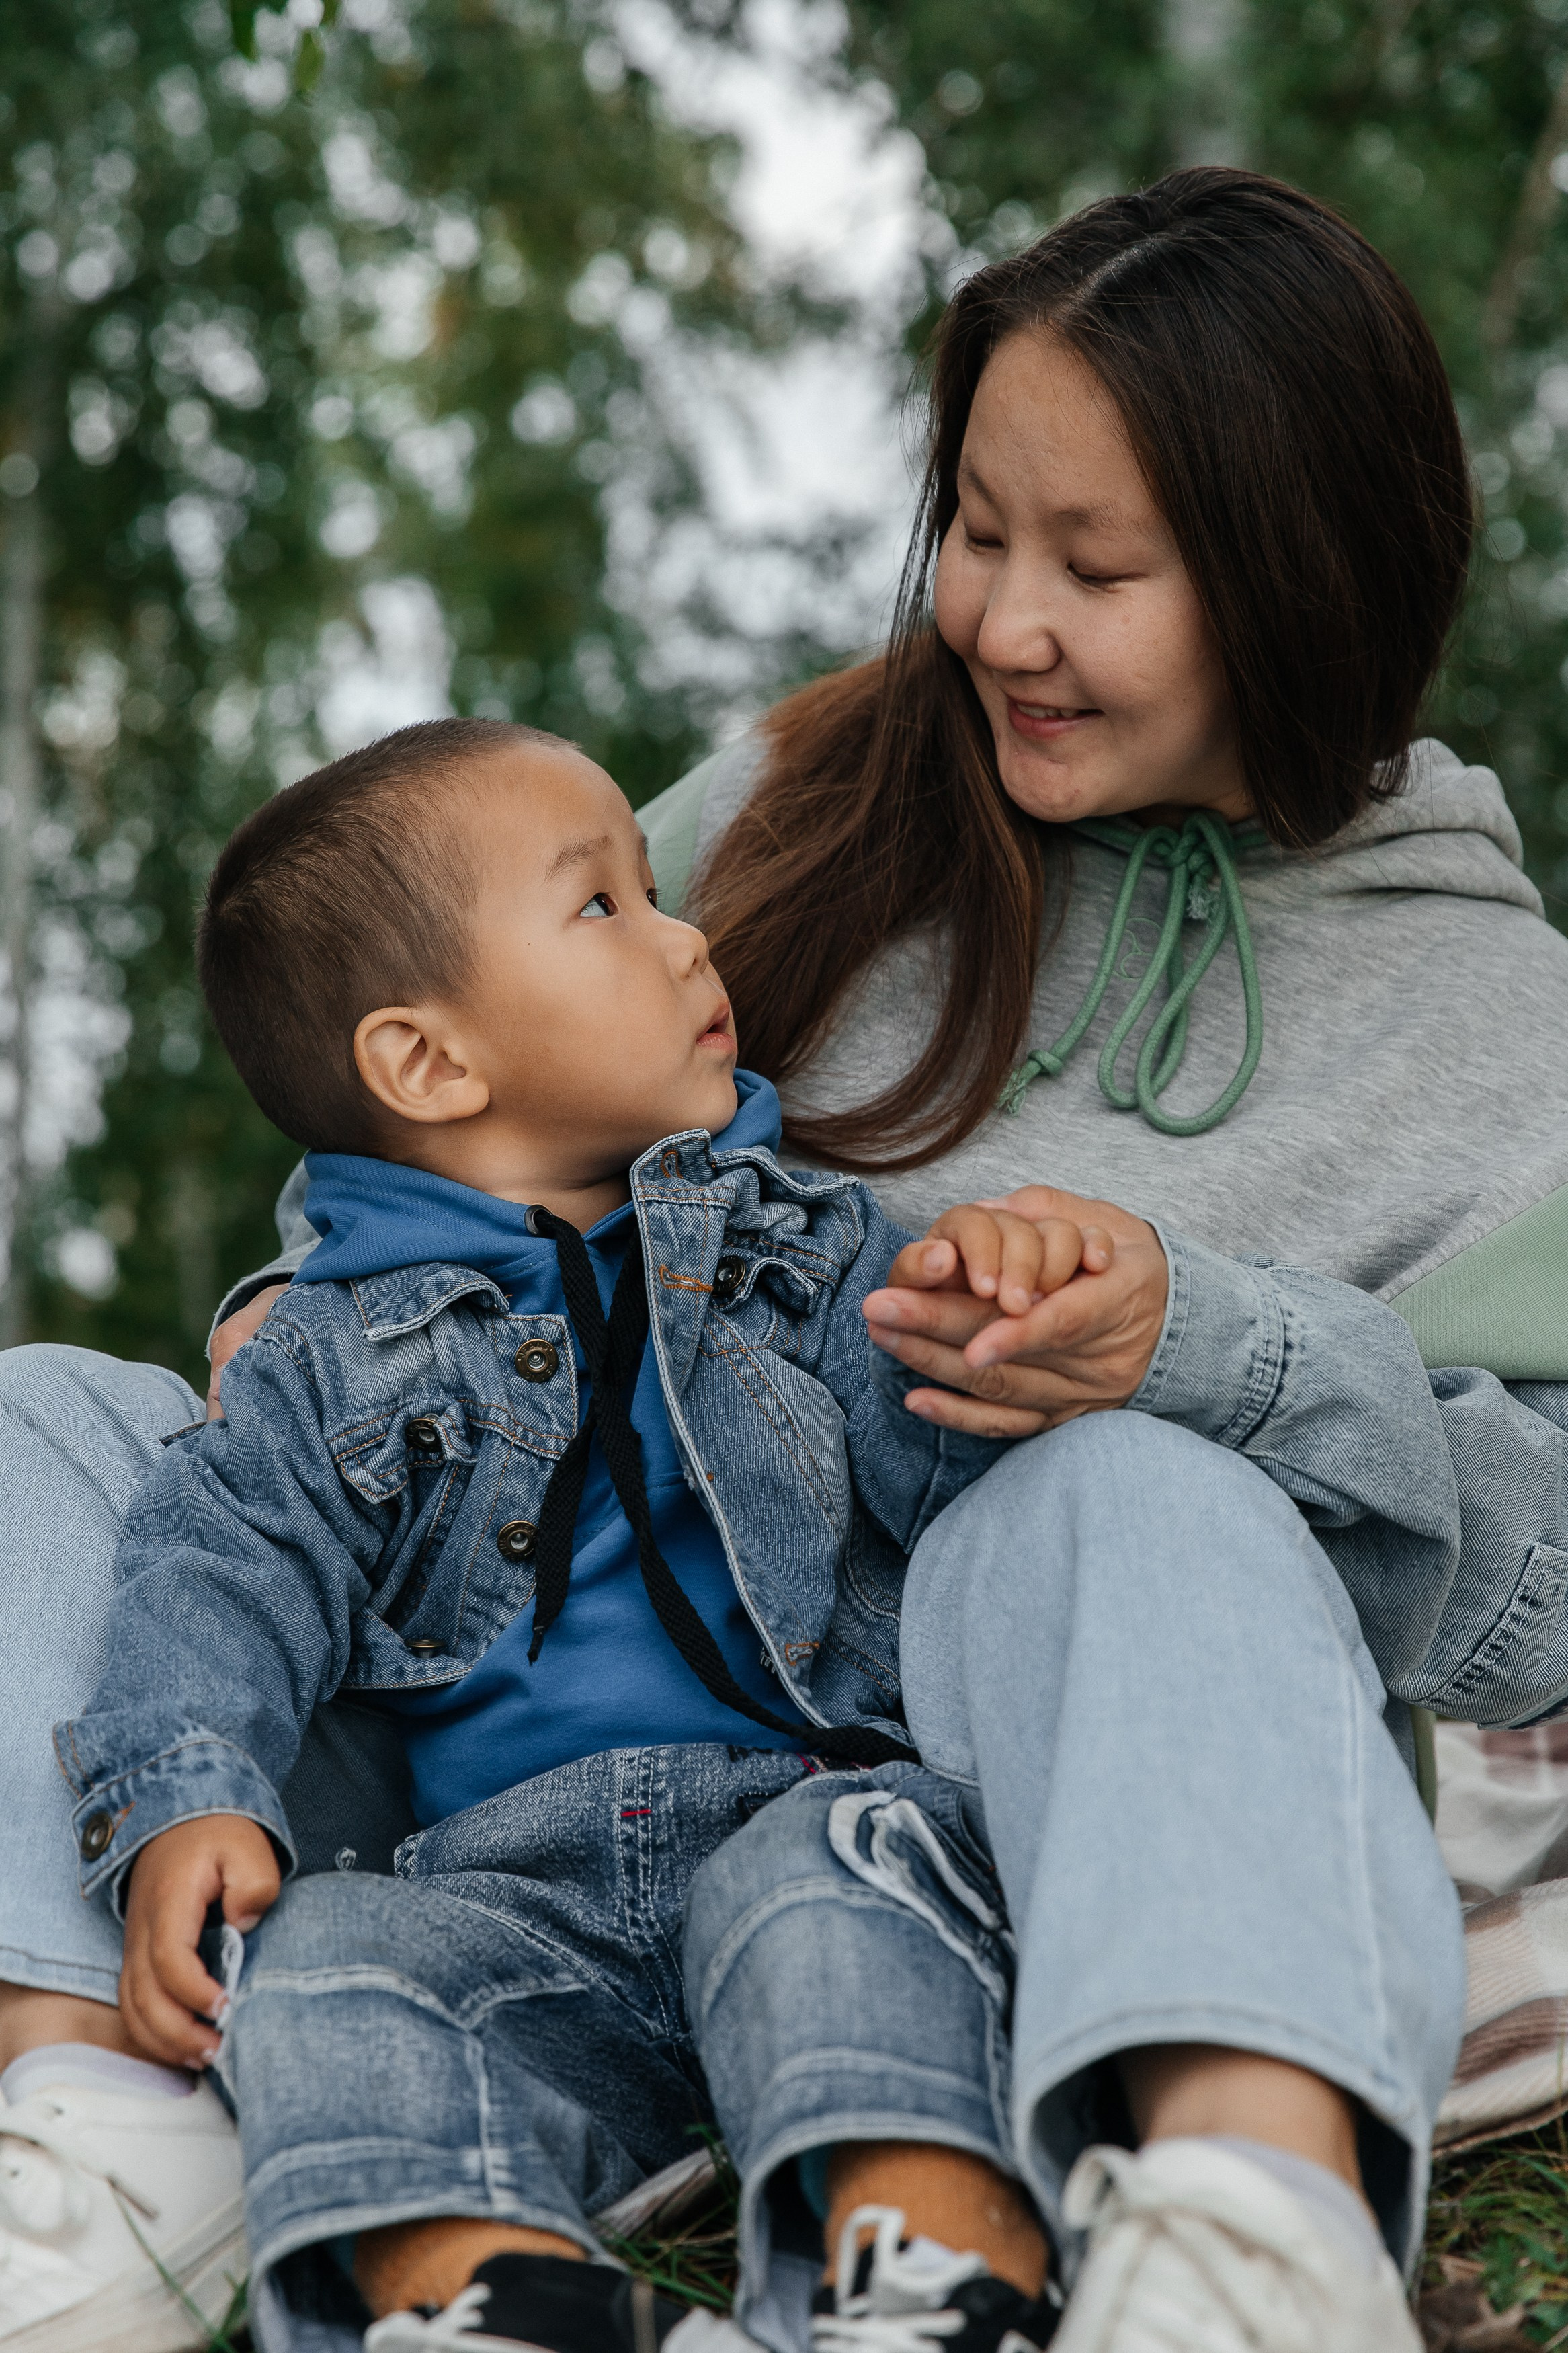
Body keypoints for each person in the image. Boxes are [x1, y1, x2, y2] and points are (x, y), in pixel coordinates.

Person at [3, 159, 1568, 2353]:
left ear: (1301, 577)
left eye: (1094, 567)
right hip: (489, 1764)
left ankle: (1240, 2228)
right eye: (978, 533)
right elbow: (430, 1108)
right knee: (49, 1420)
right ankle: (109, 2119)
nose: (996, 625)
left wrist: (1198, 1348)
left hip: (989, 1817)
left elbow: (1545, 1588)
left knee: (1129, 1478)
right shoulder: (796, 799)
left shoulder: (1497, 1030)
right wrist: (302, 1316)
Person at [47, 716, 1088, 2353]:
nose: (686, 937)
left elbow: (963, 1504)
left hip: (803, 1808)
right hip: (514, 1898)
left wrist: (987, 1333)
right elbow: (219, 1566)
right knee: (326, 1957)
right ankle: (492, 2294)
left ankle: (935, 2271)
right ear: (429, 1065)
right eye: (604, 905)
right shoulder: (328, 1355)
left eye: (656, 889)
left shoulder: (798, 1251)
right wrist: (192, 1797)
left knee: (848, 1890)